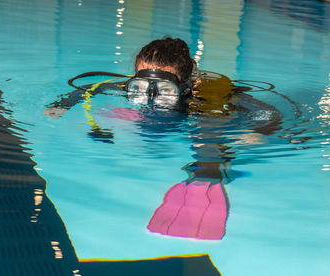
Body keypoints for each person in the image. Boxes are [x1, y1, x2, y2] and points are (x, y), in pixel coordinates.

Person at [44, 37, 283, 240]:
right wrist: (62, 105)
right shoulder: (130, 87)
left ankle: (207, 178)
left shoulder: (204, 100)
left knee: (207, 133)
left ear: (185, 87)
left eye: (165, 90)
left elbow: (270, 113)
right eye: (139, 86)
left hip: (200, 116)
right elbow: (90, 88)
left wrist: (259, 131)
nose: (149, 96)